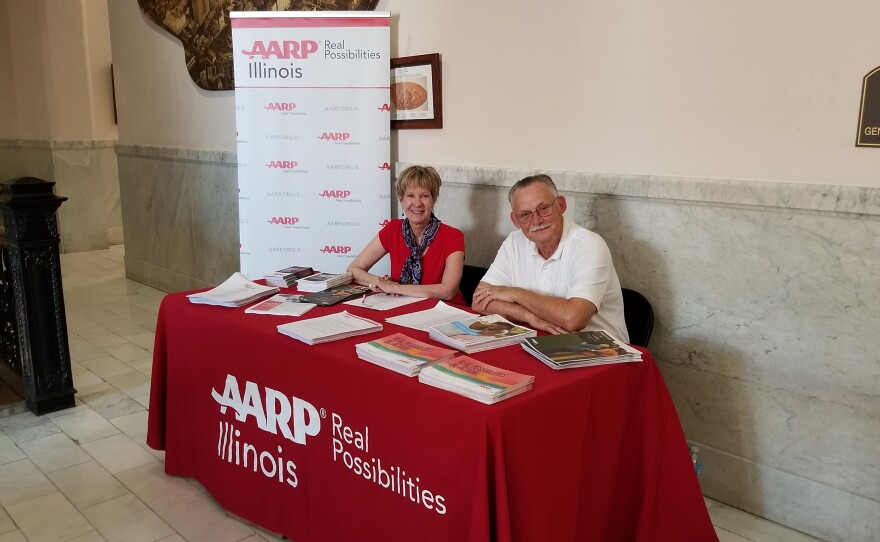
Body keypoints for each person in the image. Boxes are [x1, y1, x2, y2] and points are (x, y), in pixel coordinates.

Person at [471, 174, 630, 341]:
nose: (537, 220)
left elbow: (573, 319)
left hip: (602, 351)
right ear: (515, 220)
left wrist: (514, 294)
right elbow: (480, 301)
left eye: (543, 208)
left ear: (561, 205)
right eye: (525, 214)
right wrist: (528, 317)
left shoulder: (589, 245)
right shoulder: (514, 242)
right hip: (542, 341)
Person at [348, 165, 465, 304]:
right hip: (401, 307)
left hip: (446, 312)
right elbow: (354, 269)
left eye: (425, 196)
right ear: (401, 199)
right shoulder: (393, 229)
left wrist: (396, 287)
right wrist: (379, 282)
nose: (417, 203)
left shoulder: (453, 236)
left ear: (434, 200)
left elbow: (448, 291)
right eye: (410, 195)